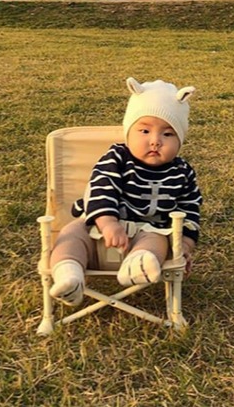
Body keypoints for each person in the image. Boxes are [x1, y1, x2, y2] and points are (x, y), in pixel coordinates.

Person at [48, 77, 202, 306]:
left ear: (180, 140)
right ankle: (69, 275)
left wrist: (185, 248)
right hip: (97, 229)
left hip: (147, 231)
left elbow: (190, 211)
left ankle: (138, 264)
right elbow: (101, 187)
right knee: (72, 234)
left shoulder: (183, 172)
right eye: (144, 131)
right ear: (128, 132)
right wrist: (108, 222)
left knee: (158, 242)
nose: (155, 141)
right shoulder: (116, 158)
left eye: (168, 134)